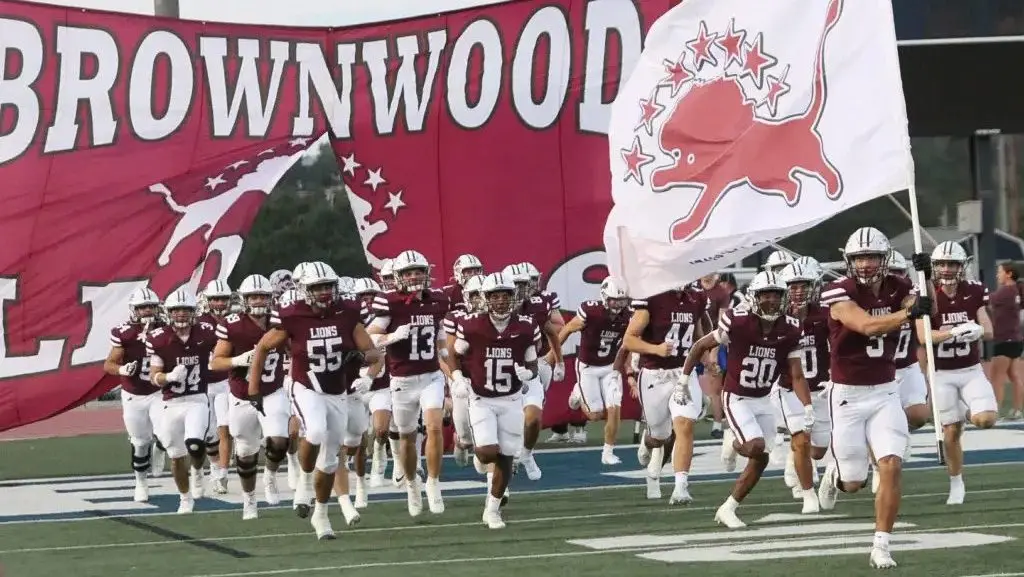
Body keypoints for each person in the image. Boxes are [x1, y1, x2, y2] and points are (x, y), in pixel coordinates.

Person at [816, 227, 933, 569]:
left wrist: (924, 280)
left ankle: (881, 545)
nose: (865, 264)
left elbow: (923, 307)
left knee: (891, 464)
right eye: (859, 258)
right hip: (847, 396)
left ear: (884, 259)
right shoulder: (838, 291)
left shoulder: (899, 286)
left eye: (871, 257)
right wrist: (908, 313)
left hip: (885, 390)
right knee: (853, 483)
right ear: (849, 261)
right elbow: (867, 325)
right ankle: (834, 474)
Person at [988, 262, 1023, 417]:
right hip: (1015, 339)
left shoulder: (1006, 291)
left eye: (1000, 272)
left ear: (1009, 274)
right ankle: (1017, 410)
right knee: (1014, 375)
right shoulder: (1016, 291)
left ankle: (995, 412)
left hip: (1004, 340)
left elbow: (986, 299)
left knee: (997, 377)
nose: (998, 275)